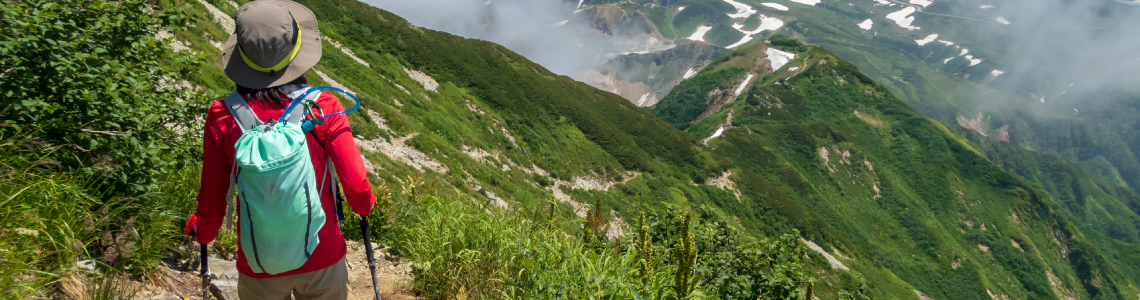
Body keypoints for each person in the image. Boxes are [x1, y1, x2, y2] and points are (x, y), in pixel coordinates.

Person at [185, 1, 376, 299]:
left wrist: (204, 232)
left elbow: (213, 195)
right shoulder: (322, 106)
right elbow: (356, 183)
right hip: (322, 255)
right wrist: (364, 208)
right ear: (296, 50)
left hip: (259, 261)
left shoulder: (222, 115)